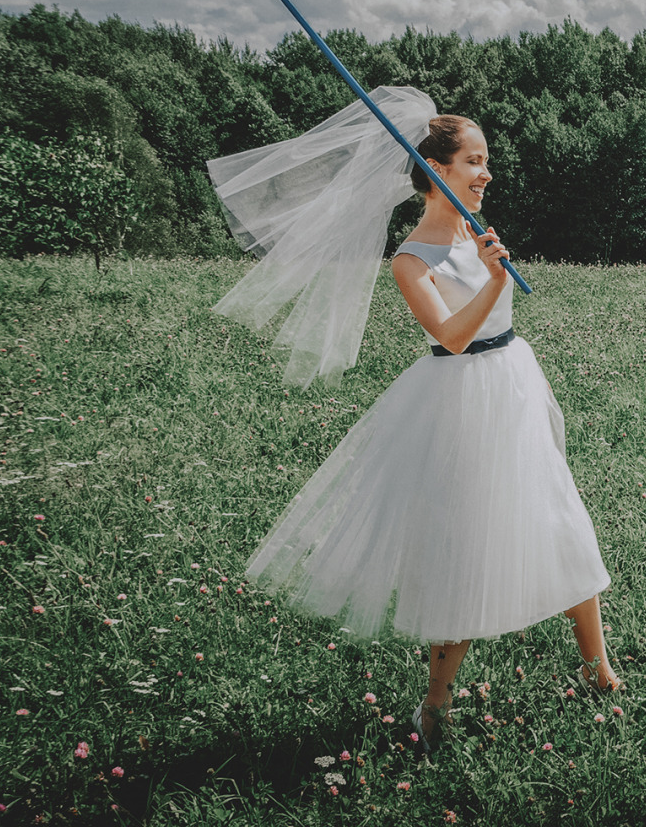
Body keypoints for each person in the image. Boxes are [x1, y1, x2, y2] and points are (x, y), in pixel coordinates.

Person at [221, 97, 619, 757]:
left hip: (513, 383)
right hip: (462, 403)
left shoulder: (473, 233)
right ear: (434, 169)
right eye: (474, 161)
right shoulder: (414, 258)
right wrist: (495, 282)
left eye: (486, 161)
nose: (486, 173)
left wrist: (490, 272)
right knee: (467, 548)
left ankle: (598, 670)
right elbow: (452, 338)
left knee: (558, 516)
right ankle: (433, 707)